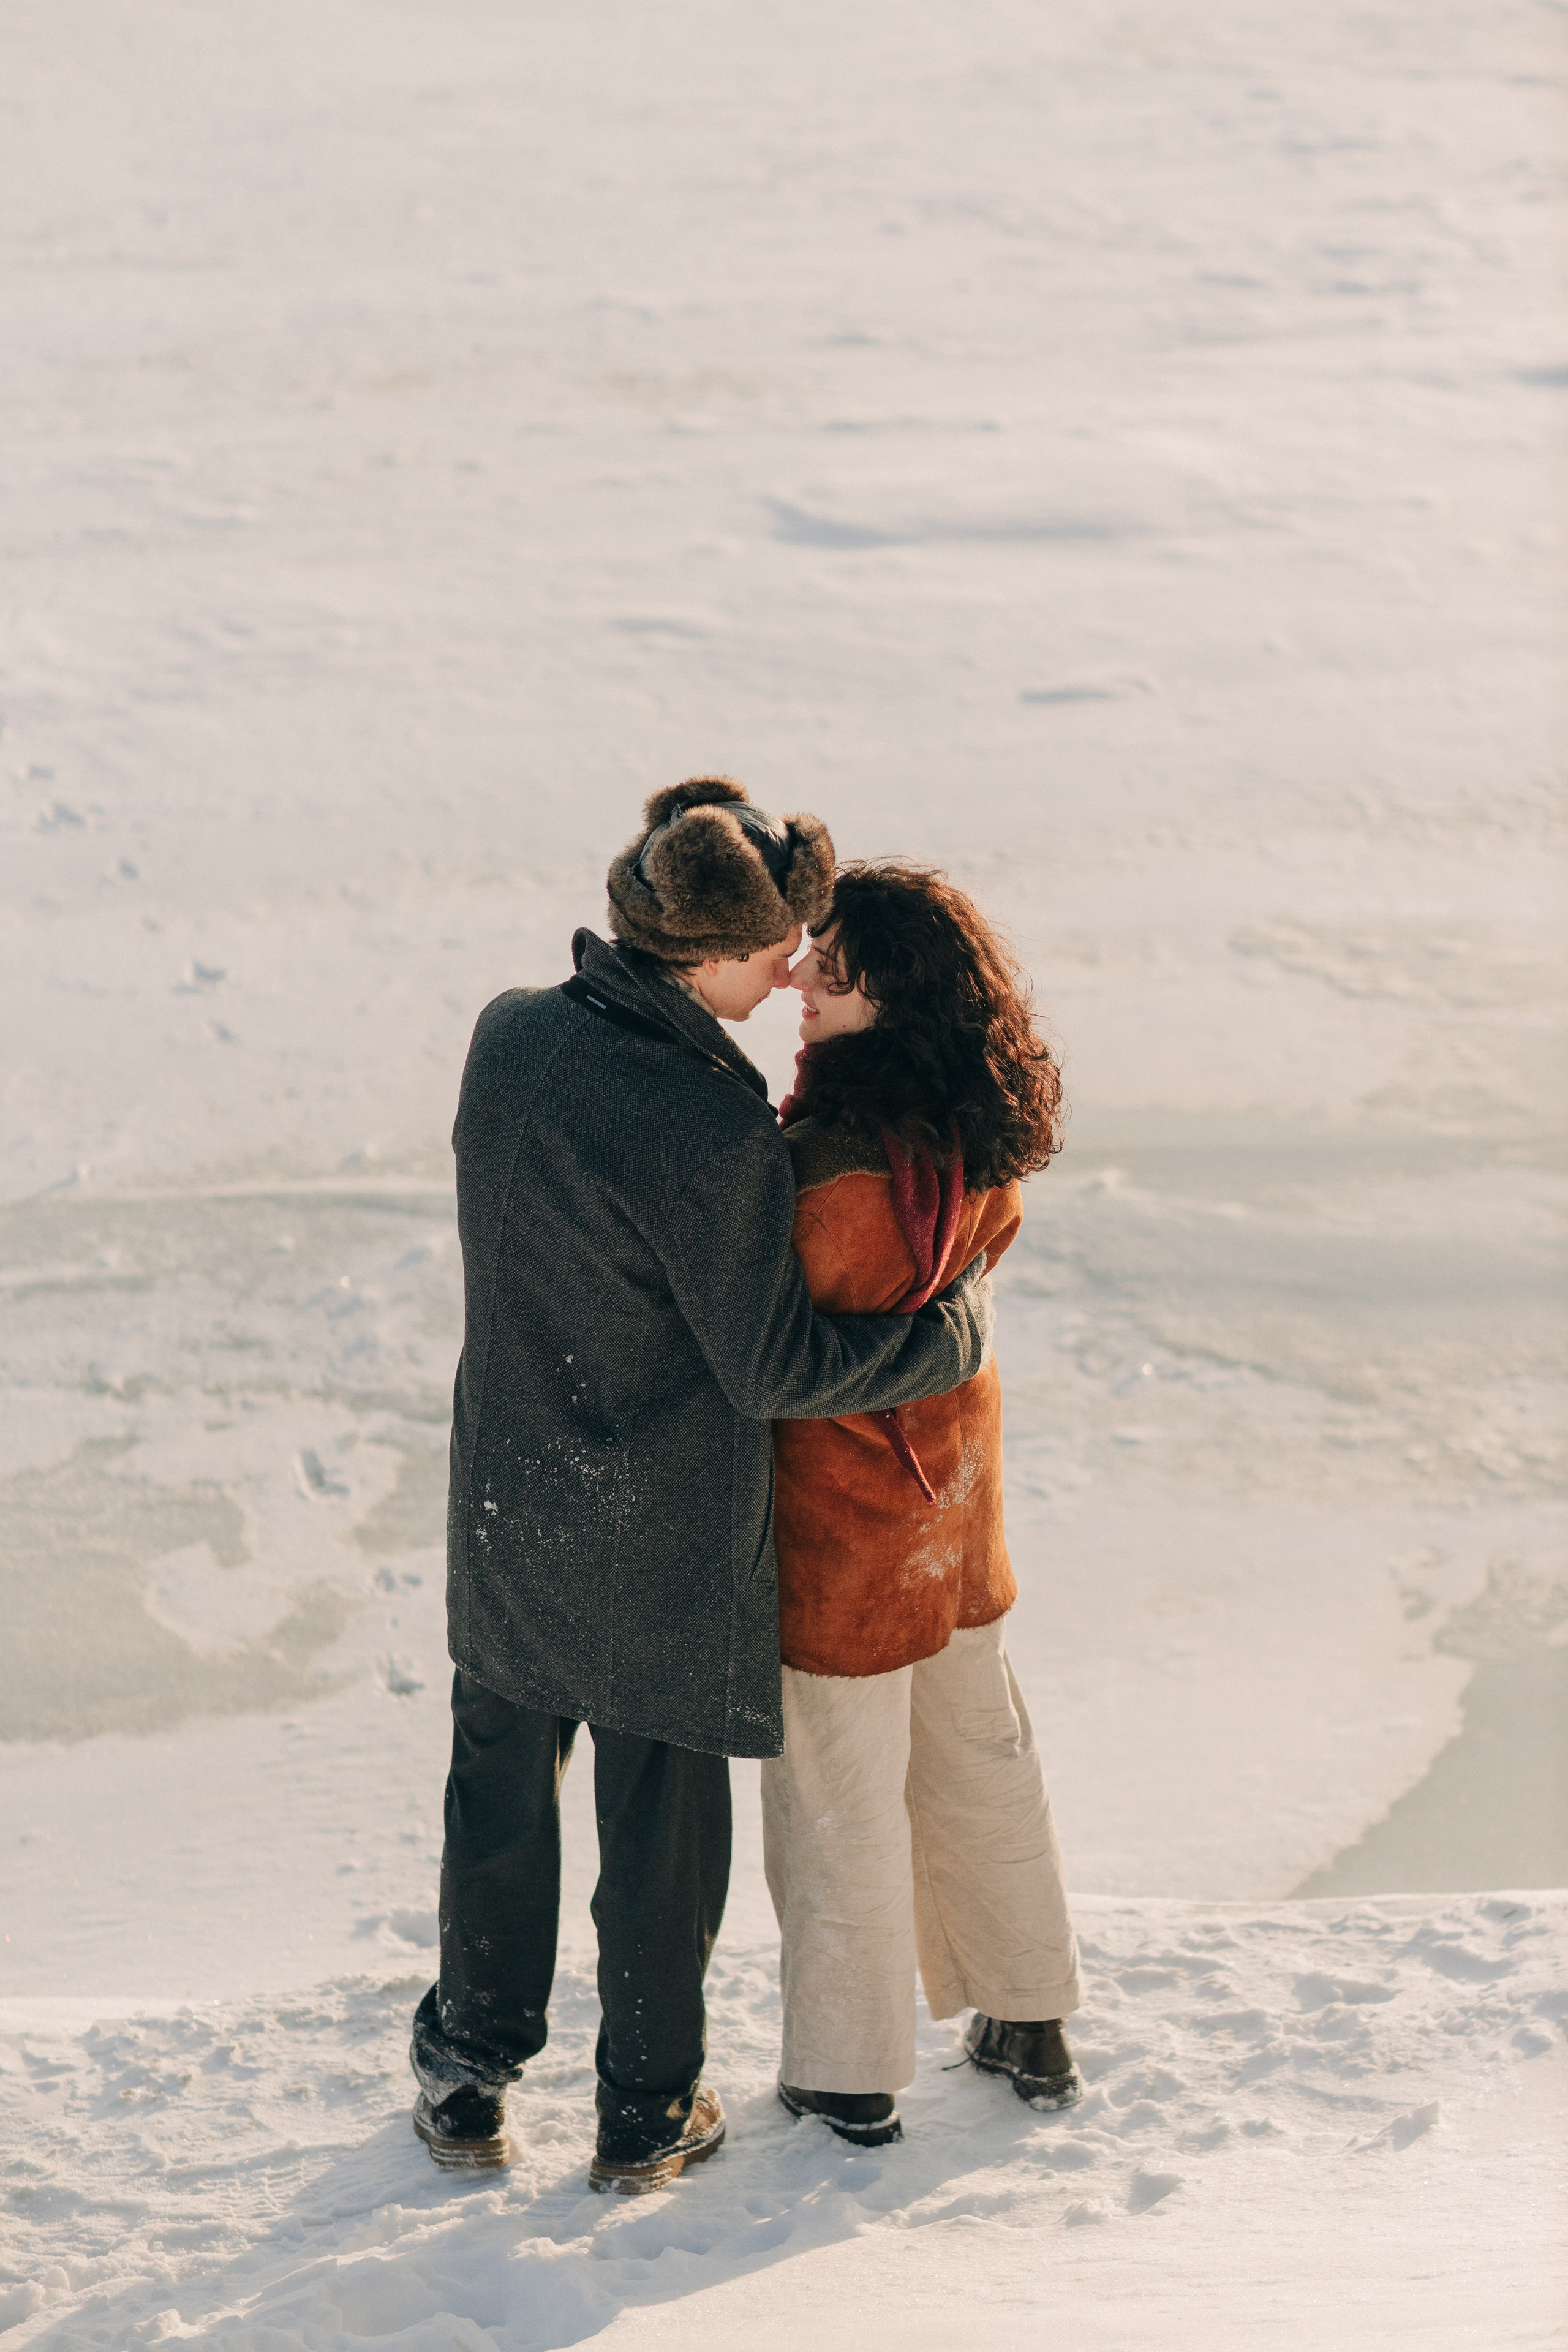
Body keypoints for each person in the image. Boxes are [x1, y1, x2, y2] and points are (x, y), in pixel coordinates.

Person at [410, 780, 996, 2193]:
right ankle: (646, 2107)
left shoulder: (511, 1035)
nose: (797, 966)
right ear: (709, 955)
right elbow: (773, 1365)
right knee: (658, 1826)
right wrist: (938, 1336)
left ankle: (466, 2074)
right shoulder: (711, 1128)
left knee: (499, 1787)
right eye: (779, 947)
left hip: (509, 1489)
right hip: (657, 1519)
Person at [763, 862, 1082, 2147]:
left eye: (828, 969)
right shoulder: (980, 1136)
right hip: (955, 1510)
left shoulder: (817, 1177)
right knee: (978, 1757)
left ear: (885, 996)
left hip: (844, 1536)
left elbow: (772, 1348)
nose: (798, 982)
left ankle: (844, 2069)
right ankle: (1029, 2014)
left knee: (838, 1792)